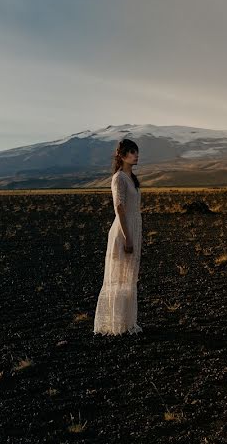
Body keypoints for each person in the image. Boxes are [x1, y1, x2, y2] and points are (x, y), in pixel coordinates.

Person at [93, 138, 143, 336]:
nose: (135, 155)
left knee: (129, 277)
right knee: (119, 276)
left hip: (133, 228)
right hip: (124, 231)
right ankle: (116, 324)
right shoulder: (119, 178)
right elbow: (119, 208)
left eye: (136, 152)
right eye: (131, 152)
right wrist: (128, 237)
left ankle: (126, 322)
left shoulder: (133, 179)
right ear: (121, 156)